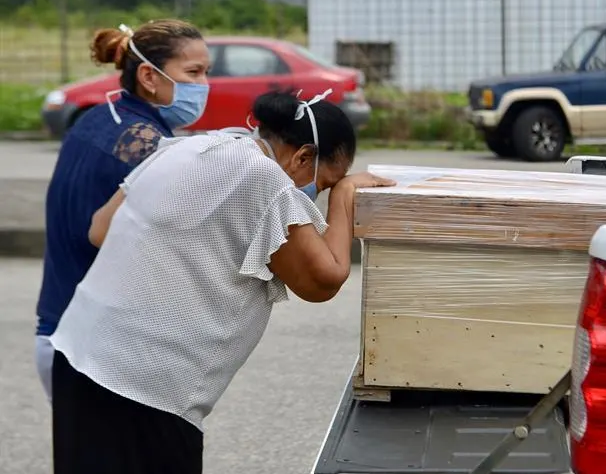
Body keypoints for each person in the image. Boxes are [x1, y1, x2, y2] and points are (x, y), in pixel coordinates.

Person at [48, 88, 395, 473]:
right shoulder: (266, 181)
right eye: (325, 182)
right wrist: (344, 197)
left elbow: (100, 228)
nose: (321, 192)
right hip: (146, 390)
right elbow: (323, 281)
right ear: (303, 157)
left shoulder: (188, 147)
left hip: (77, 356)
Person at [34, 19, 210, 402]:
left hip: (58, 329)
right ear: (149, 75)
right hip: (93, 351)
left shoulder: (98, 119)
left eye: (206, 72)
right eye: (194, 72)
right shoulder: (146, 144)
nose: (204, 85)